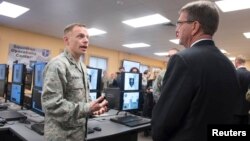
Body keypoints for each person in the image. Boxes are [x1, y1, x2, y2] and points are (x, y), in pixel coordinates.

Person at [151, 1, 241, 141]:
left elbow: (163, 121)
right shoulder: (229, 65)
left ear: (194, 26)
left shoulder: (182, 60)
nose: (177, 29)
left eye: (179, 23)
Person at [42, 23, 108, 141]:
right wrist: (87, 108)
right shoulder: (58, 65)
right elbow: (51, 105)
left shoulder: (82, 66)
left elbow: (81, 100)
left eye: (87, 37)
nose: (86, 41)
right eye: (80, 36)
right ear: (66, 40)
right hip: (61, 135)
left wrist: (94, 109)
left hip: (78, 134)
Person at [234, 55, 250, 124]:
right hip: (247, 108)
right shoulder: (249, 74)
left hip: (235, 108)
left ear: (237, 62)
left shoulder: (233, 74)